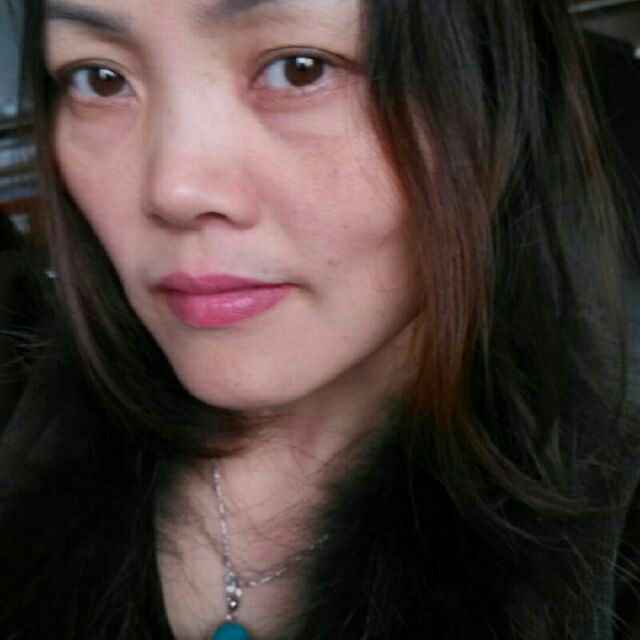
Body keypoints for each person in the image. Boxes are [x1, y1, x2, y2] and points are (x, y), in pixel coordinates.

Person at [1, 0, 640, 638]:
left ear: (493, 95)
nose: (174, 190)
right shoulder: (20, 417)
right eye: (100, 80)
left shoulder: (617, 533)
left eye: (300, 69)